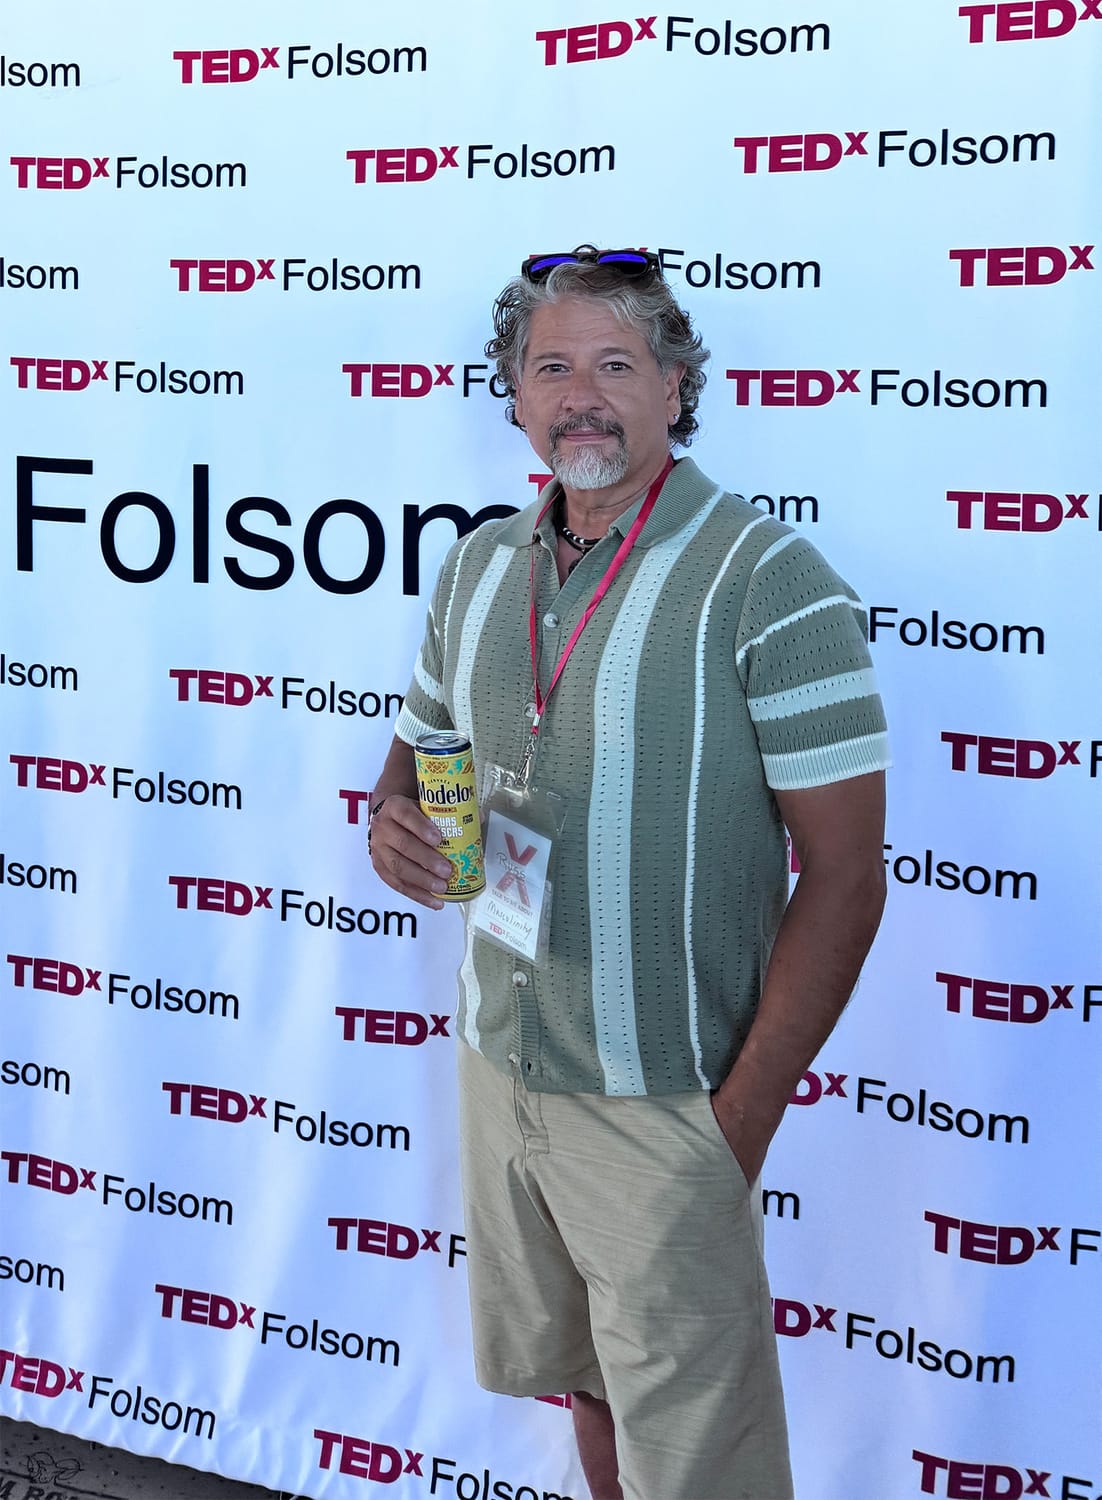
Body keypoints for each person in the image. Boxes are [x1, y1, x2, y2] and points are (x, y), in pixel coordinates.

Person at [368, 246, 889, 1500]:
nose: (582, 398)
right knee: (592, 1388)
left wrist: (736, 1122)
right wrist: (392, 829)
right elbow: (415, 763)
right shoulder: (480, 564)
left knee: (699, 1459)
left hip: (669, 1096)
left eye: (616, 364)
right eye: (551, 368)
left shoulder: (768, 581)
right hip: (504, 1065)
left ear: (674, 387)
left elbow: (846, 875)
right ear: (514, 396)